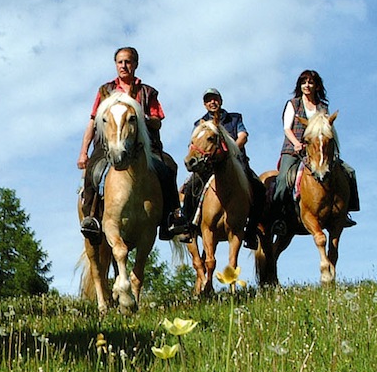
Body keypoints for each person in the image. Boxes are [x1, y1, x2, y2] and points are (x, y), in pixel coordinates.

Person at [76, 47, 192, 242]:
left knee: (169, 167)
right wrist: (83, 152)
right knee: (93, 171)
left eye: (128, 62)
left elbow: (157, 120)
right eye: (120, 62)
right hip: (108, 145)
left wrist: (140, 117)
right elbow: (93, 121)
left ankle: (171, 219)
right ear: (116, 65)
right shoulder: (105, 90)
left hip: (144, 146)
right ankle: (92, 219)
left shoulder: (147, 92)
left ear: (135, 64)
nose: (124, 66)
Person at [272, 69, 359, 228]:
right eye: (304, 82)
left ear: (317, 86)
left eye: (310, 82)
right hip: (294, 149)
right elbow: (287, 128)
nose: (307, 85)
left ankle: (345, 211)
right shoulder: (293, 104)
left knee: (349, 172)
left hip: (318, 149)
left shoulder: (322, 107)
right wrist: (297, 143)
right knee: (284, 178)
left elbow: (326, 129)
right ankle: (278, 216)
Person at [176, 88, 251, 237]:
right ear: (205, 105)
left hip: (235, 162)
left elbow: (243, 136)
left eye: (215, 99)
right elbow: (193, 143)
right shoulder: (200, 123)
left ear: (221, 101)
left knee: (257, 187)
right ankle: (186, 223)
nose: (212, 102)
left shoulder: (234, 118)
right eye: (208, 100)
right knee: (190, 187)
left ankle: (253, 227)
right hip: (208, 165)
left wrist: (231, 149)